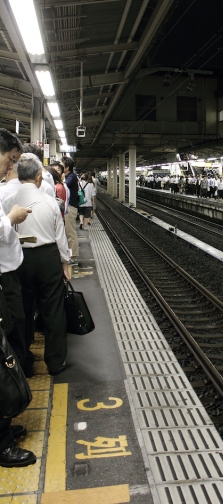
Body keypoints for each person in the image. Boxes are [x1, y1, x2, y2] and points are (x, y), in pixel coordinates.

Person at [3, 153, 69, 377]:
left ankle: (24, 363)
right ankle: (55, 361)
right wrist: (65, 263)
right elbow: (60, 236)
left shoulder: (8, 201)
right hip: (48, 256)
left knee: (22, 310)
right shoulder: (49, 201)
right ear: (39, 177)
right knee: (53, 308)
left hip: (19, 258)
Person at [0, 131, 36, 469]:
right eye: (10, 160)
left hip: (5, 276)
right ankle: (2, 442)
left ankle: (5, 422)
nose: (10, 169)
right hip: (2, 279)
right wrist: (10, 220)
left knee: (6, 349)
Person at [63, 156, 79, 264]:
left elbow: (65, 185)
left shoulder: (71, 177)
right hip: (68, 207)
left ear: (67, 167)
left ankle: (73, 256)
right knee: (67, 232)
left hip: (70, 208)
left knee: (70, 232)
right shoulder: (70, 176)